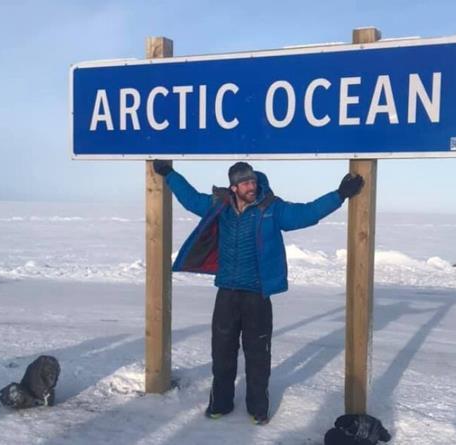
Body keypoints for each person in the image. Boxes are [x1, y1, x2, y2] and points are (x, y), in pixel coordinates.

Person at [153, 161, 364, 425]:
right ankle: (220, 403)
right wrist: (170, 175)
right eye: (245, 183)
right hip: (227, 292)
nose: (251, 187)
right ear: (234, 187)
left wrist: (339, 195)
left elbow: (307, 213)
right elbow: (190, 198)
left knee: (258, 354)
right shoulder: (220, 205)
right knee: (222, 352)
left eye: (253, 182)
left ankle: (257, 408)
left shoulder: (271, 208)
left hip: (257, 295)